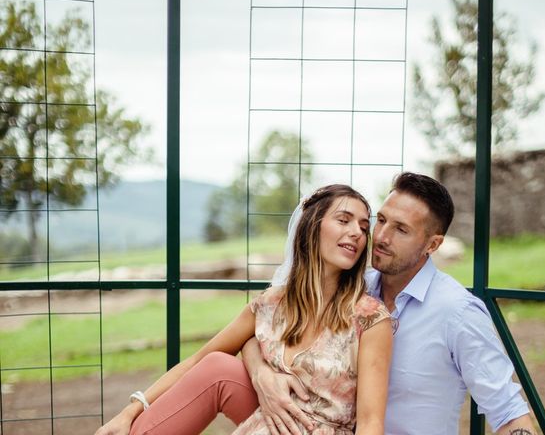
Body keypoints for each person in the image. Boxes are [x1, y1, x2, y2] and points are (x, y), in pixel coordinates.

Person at [243, 172, 538, 435]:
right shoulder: (353, 289)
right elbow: (258, 330)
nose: (380, 237)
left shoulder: (457, 312)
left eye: (401, 229)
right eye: (381, 220)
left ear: (432, 245)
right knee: (220, 372)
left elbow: (510, 414)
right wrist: (261, 373)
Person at [95, 184, 393, 435]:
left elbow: (369, 423)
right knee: (215, 366)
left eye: (364, 227)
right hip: (270, 424)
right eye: (344, 220)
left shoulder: (370, 318)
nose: (357, 232)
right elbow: (198, 361)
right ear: (311, 227)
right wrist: (129, 411)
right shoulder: (270, 305)